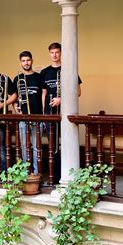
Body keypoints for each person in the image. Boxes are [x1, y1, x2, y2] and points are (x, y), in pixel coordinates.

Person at [41, 42, 82, 182]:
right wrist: (43, 113)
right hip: (49, 114)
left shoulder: (69, 69)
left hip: (64, 114)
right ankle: (53, 176)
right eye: (52, 52)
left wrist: (61, 99)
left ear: (61, 53)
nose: (54, 55)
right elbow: (44, 94)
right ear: (49, 54)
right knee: (52, 146)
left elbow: (78, 91)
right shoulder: (45, 72)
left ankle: (65, 176)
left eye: (57, 52)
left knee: (65, 145)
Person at [13, 51, 43, 175]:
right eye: (23, 61)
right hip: (23, 117)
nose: (26, 63)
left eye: (28, 60)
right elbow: (14, 98)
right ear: (20, 62)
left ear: (32, 60)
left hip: (37, 117)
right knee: (25, 147)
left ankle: (36, 172)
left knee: (37, 147)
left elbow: (43, 96)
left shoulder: (38, 77)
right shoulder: (17, 79)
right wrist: (16, 108)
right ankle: (26, 171)